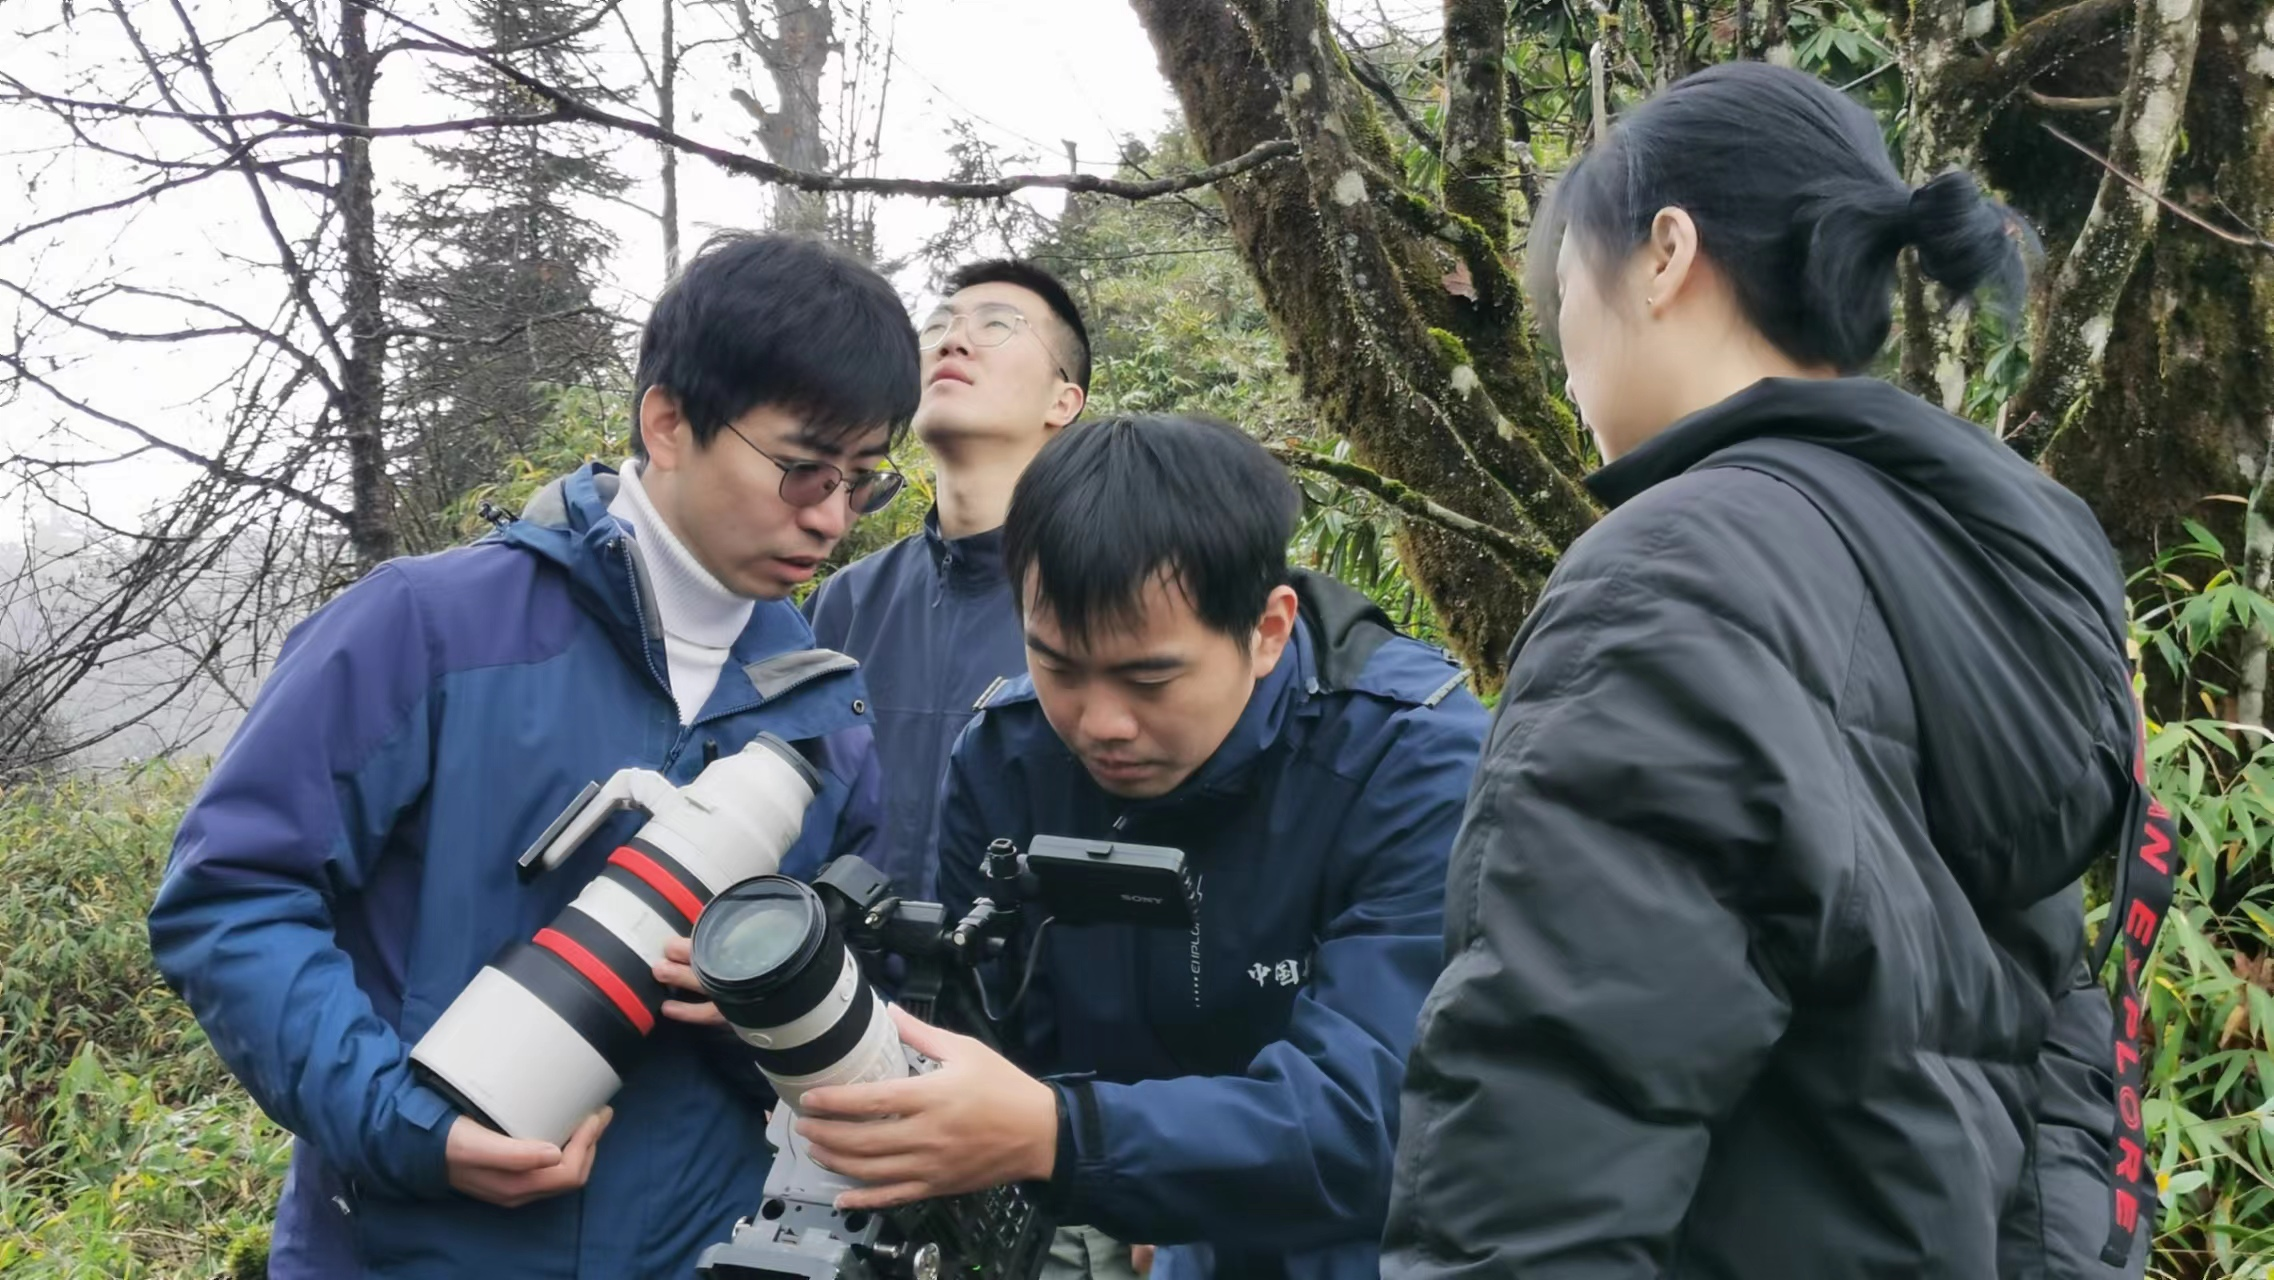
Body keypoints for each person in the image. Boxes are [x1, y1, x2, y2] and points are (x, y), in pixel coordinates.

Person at [1382, 63, 2157, 1279]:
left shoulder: (1677, 568)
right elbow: (2054, 1041)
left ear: (1665, 252)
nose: (1562, 342)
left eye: (1565, 286)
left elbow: (1557, 1110)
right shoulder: (1994, 568)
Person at [147, 232, 916, 1279]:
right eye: (800, 469)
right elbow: (232, 896)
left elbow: (841, 1010)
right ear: (669, 420)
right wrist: (408, 1122)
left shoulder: (824, 717)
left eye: (862, 481)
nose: (830, 517)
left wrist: (756, 1009)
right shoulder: (426, 628)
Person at [776, 413, 1490, 1280]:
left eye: (1150, 678)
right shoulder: (1010, 753)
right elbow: (980, 1026)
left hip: (1403, 1245)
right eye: (1059, 667)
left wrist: (1062, 1136)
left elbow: (1381, 1115)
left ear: (1268, 630)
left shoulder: (1409, 756)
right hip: (1177, 1219)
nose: (1100, 725)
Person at [804, 259, 1090, 900]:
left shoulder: (1108, 599)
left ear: (1062, 400)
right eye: (937, 326)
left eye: (996, 326)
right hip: (844, 993)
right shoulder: (845, 602)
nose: (952, 341)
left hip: (1026, 993)